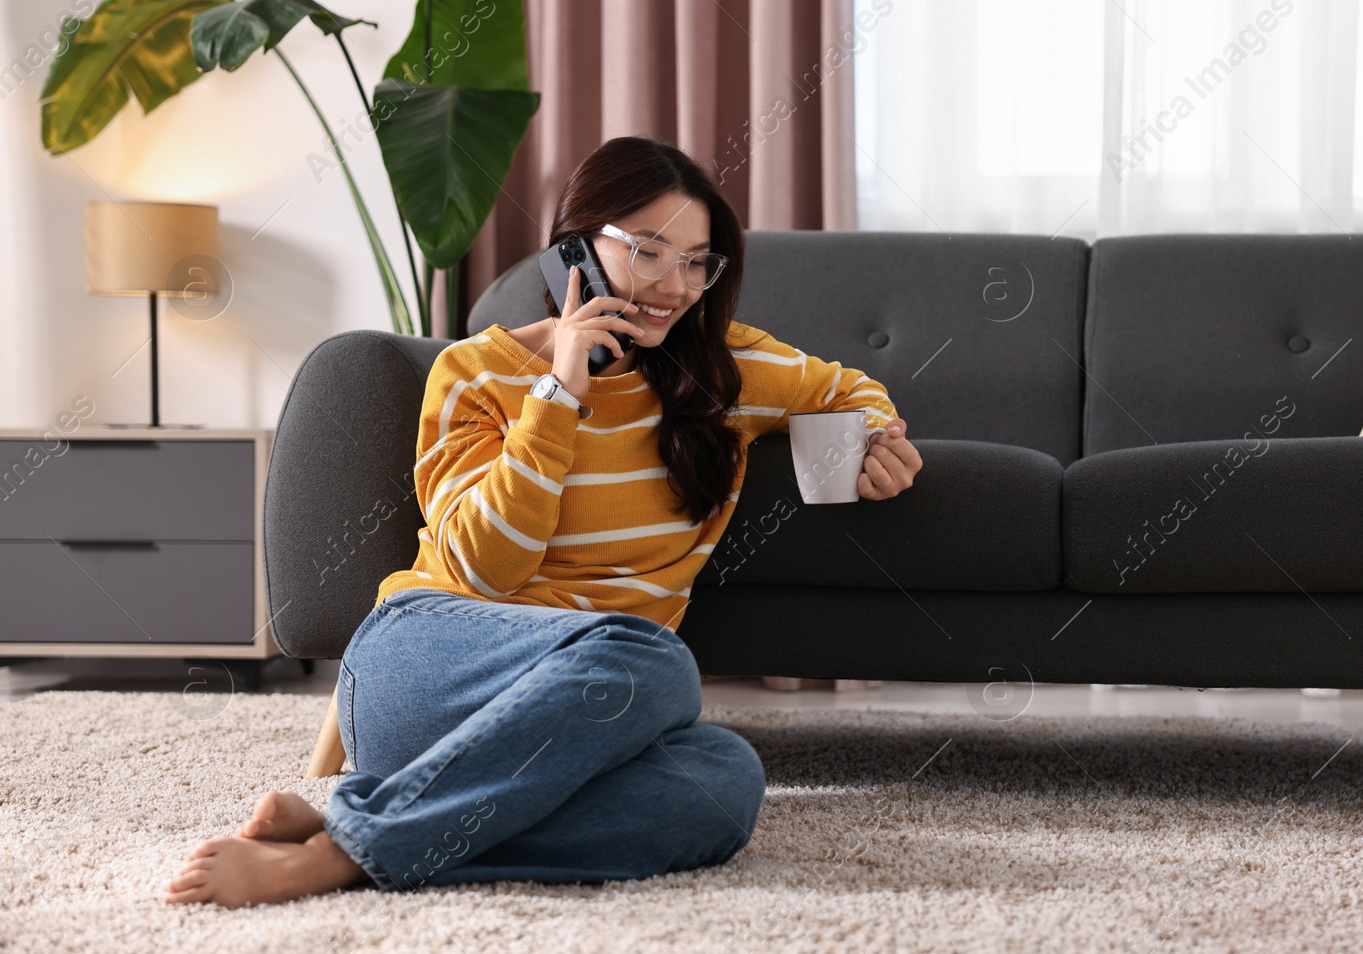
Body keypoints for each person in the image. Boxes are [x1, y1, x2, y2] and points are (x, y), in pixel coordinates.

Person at [163, 135, 924, 907]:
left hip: (584, 711)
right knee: (655, 663)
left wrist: (878, 446)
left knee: (725, 780)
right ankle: (332, 857)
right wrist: (559, 396)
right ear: (575, 252)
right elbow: (487, 568)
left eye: (698, 261)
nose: (676, 286)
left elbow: (851, 390)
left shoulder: (722, 371)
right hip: (429, 662)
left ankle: (351, 840)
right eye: (649, 253)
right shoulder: (474, 374)